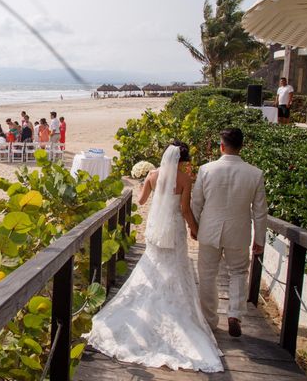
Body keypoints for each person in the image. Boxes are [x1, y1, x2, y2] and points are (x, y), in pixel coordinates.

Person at [86, 142, 223, 373]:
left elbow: (140, 201)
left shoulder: (152, 174)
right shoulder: (185, 179)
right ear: (183, 160)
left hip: (155, 230)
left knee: (152, 268)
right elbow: (185, 209)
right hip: (174, 229)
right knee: (176, 269)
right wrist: (194, 228)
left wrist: (143, 183)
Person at [192, 128, 268, 338]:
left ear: (221, 146)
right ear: (242, 146)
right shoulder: (255, 173)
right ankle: (235, 313)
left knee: (207, 275)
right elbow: (260, 212)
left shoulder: (206, 169)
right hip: (238, 231)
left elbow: (196, 202)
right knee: (238, 272)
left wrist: (195, 226)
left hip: (210, 229)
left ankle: (209, 320)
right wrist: (259, 239)